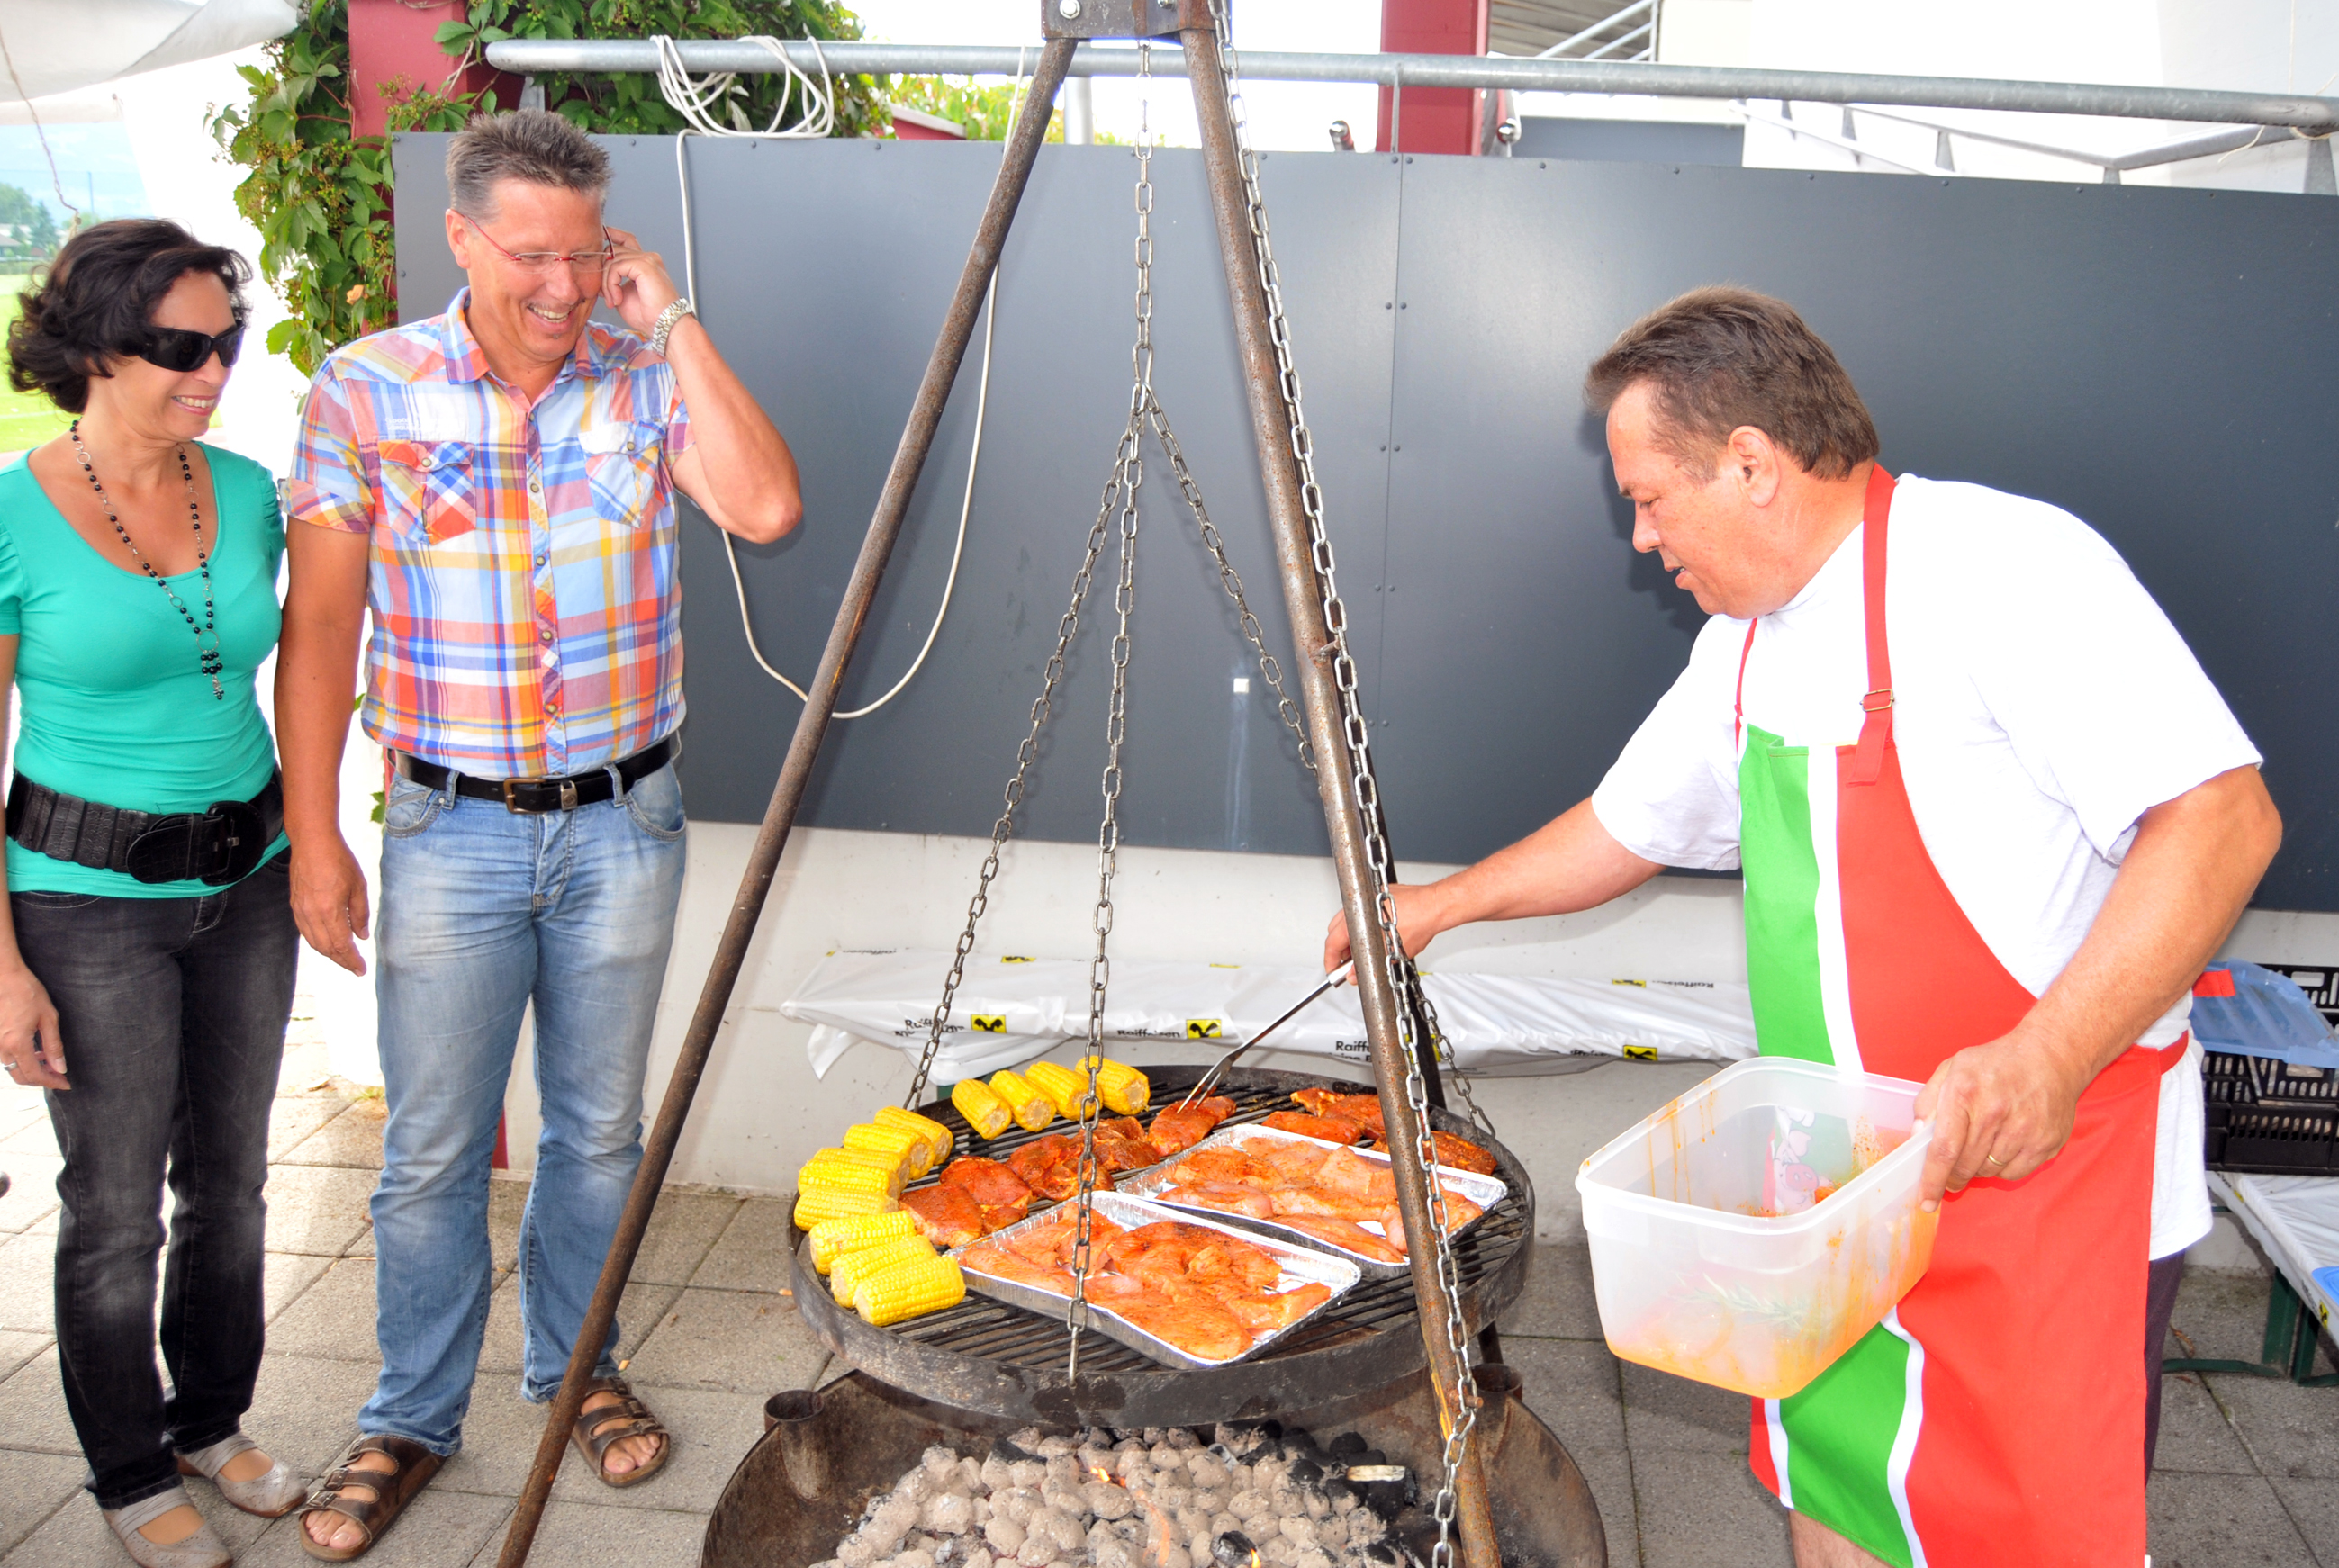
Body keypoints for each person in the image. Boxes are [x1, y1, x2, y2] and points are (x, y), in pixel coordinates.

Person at [1326, 288, 2280, 1568]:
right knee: (1833, 1486)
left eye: (1649, 498)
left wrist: (2047, 1057)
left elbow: (2222, 819)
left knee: (2015, 1529)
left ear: (1751, 463)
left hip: (2039, 1186)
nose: (1640, 539)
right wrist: (1441, 905)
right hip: (1836, 1188)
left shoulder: (2001, 568)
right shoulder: (1745, 643)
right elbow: (1626, 825)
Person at [275, 109, 801, 1559]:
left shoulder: (641, 376)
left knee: (597, 1135)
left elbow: (766, 506)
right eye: (531, 256)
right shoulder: (364, 388)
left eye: (587, 254)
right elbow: (319, 631)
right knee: (432, 1146)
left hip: (625, 820)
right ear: (461, 238)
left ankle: (578, 1370)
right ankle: (408, 1414)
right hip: (450, 826)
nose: (564, 286)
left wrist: (670, 316)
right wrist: (314, 835)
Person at [0, 221, 304, 1568]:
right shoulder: (12, 515)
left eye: (225, 343)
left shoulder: (244, 490)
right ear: (95, 348)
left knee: (231, 1183)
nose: (214, 371)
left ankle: (210, 1419)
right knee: (116, 1207)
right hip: (85, 904)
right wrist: (3, 967)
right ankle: (129, 1472)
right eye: (182, 347)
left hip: (248, 883)